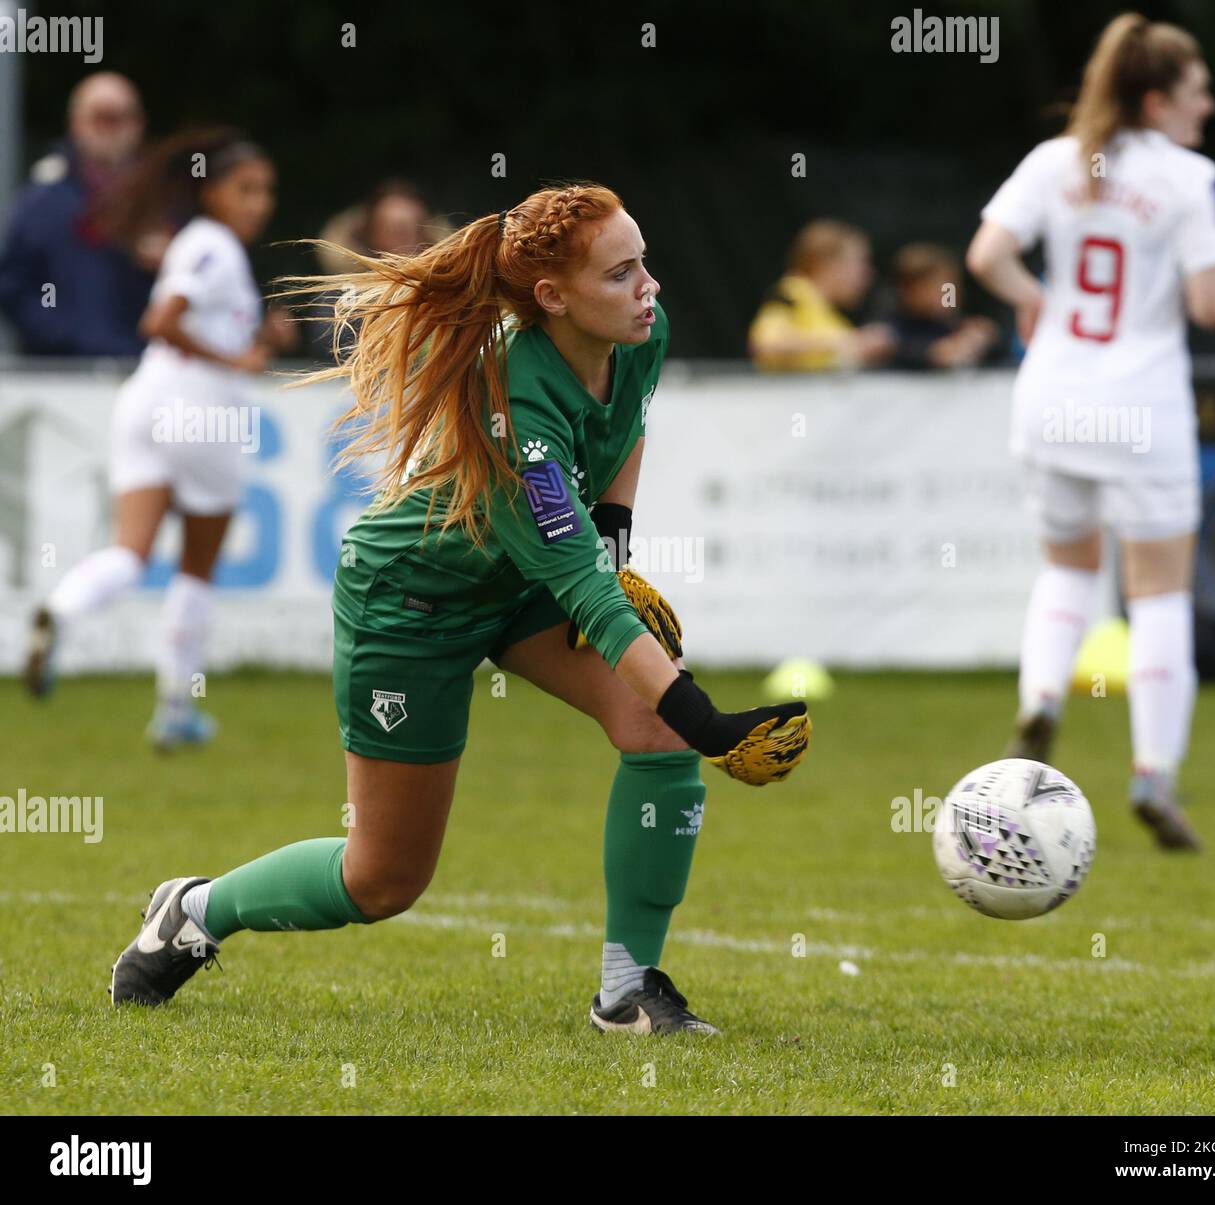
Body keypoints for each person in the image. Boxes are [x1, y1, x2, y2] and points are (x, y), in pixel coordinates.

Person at [109, 183, 812, 1034]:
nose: (650, 287)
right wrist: (711, 720)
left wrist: (617, 535)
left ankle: (627, 992)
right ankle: (196, 909)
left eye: (645, 263)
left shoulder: (640, 332)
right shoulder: (514, 404)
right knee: (382, 882)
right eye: (622, 273)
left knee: (654, 734)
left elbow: (627, 427)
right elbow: (589, 596)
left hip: (514, 586)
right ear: (552, 298)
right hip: (410, 600)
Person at [966, 13, 1215, 851]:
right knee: (1157, 592)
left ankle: (1044, 696)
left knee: (1067, 569)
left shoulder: (1057, 160)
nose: (1211, 105)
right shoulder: (1191, 177)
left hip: (1051, 396)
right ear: (1157, 98)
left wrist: (1036, 299)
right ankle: (1154, 770)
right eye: (1198, 91)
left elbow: (986, 256)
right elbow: (1209, 306)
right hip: (1142, 407)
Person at [24, 130, 294, 748]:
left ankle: (60, 610)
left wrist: (258, 344)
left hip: (144, 404)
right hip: (203, 412)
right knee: (197, 566)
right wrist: (236, 363)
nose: (258, 203)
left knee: (130, 551)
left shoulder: (191, 246)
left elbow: (190, 327)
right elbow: (163, 321)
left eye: (265, 191)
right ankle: (175, 707)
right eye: (245, 189)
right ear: (212, 192)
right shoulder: (215, 245)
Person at [0, 72, 156, 356]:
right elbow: (13, 287)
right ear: (76, 124)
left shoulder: (163, 200)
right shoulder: (41, 202)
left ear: (139, 123)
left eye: (122, 117)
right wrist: (62, 337)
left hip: (145, 370)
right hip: (60, 374)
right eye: (101, 117)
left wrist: (169, 261)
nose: (112, 128)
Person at [308, 179, 452, 360]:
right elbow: (325, 343)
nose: (403, 243)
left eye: (411, 231)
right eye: (392, 230)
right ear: (371, 234)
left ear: (427, 236)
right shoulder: (342, 291)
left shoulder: (447, 293)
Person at [748, 219, 895, 371]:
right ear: (828, 262)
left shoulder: (829, 314)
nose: (868, 274)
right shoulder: (792, 292)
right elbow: (766, 343)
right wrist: (846, 341)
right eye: (860, 262)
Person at [886, 243, 999, 370]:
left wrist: (982, 340)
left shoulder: (955, 325)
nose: (950, 295)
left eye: (953, 286)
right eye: (941, 288)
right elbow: (896, 347)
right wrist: (931, 353)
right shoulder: (892, 327)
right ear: (911, 290)